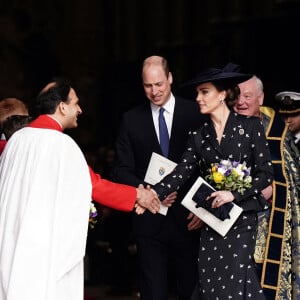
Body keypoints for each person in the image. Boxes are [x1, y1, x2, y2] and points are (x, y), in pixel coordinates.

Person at [0, 78, 160, 300]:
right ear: (62, 106)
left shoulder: (17, 140)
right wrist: (138, 195)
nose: (80, 109)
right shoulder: (60, 144)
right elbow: (94, 185)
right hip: (43, 243)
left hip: (12, 236)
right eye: (75, 103)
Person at [150, 63, 274, 299]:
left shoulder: (250, 127)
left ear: (223, 94)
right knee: (211, 285)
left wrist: (233, 194)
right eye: (197, 92)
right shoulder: (199, 135)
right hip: (212, 223)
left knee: (234, 286)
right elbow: (181, 173)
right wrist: (151, 194)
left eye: (204, 91)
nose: (198, 98)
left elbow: (266, 175)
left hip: (242, 221)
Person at [111, 55, 207, 300]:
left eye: (159, 84)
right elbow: (121, 169)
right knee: (153, 291)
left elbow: (209, 164)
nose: (154, 91)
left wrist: (203, 208)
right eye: (147, 86)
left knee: (191, 290)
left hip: (189, 217)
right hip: (150, 220)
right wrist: (144, 192)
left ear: (170, 78)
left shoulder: (196, 112)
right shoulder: (131, 119)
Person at [234, 76, 300, 299]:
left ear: (260, 98)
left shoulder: (278, 130)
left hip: (270, 224)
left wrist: (276, 189)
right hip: (232, 225)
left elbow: (294, 178)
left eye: (248, 96)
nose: (241, 101)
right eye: (237, 96)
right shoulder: (223, 125)